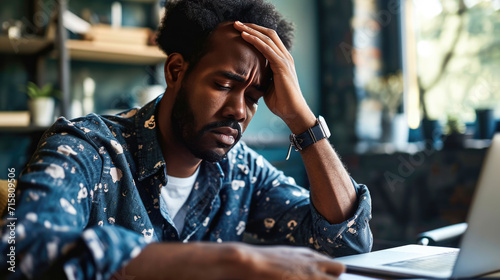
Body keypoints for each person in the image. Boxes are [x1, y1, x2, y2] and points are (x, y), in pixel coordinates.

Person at [0, 0, 372, 279]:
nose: (239, 111)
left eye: (254, 98)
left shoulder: (242, 171)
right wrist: (230, 260)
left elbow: (346, 244)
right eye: (224, 84)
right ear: (176, 71)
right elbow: (20, 251)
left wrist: (301, 119)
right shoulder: (86, 148)